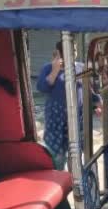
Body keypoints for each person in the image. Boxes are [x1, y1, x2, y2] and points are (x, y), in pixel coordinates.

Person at [37, 41, 100, 170]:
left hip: (77, 118)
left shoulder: (81, 68)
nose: (73, 54)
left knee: (75, 155)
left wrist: (98, 103)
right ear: (60, 53)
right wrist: (55, 71)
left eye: (74, 51)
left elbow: (89, 89)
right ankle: (59, 181)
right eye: (69, 51)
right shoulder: (48, 68)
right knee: (58, 156)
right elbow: (42, 88)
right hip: (57, 120)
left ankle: (74, 183)